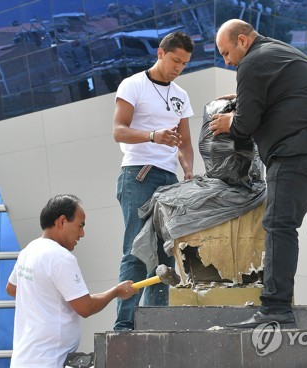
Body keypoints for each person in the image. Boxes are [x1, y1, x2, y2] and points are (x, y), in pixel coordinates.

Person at [210, 19, 307, 329]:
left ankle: (275, 308)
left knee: (279, 226)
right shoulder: (284, 52)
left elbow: (246, 124)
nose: (227, 60)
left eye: (226, 53)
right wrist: (240, 100)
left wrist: (229, 124)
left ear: (242, 41)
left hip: (298, 150)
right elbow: (282, 97)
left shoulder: (250, 63)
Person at [112, 31, 195, 330]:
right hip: (138, 172)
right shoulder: (133, 84)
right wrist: (152, 136)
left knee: (164, 254)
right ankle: (124, 326)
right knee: (136, 249)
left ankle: (154, 327)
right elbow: (119, 130)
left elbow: (185, 142)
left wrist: (188, 171)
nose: (178, 68)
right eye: (175, 60)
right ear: (160, 53)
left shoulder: (181, 96)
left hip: (169, 179)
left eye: (184, 64)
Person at [6, 194, 137, 368]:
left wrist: (46, 301)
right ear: (61, 221)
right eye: (80, 226)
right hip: (50, 361)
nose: (82, 234)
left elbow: (12, 289)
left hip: (23, 360)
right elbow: (86, 307)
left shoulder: (29, 251)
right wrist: (116, 292)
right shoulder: (60, 257)